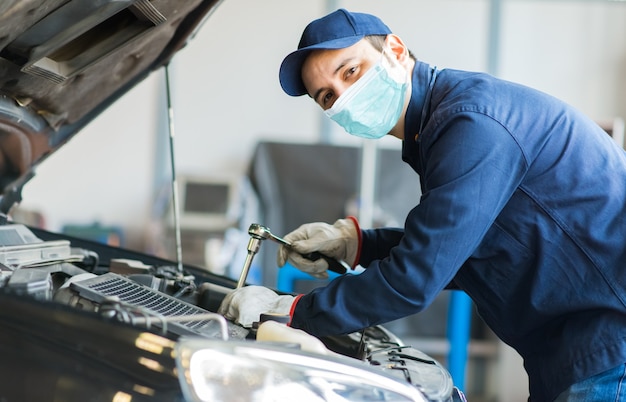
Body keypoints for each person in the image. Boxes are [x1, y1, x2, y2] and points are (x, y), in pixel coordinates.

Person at [218, 8, 626, 401]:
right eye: (327, 96)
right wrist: (356, 244)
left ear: (395, 51)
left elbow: (415, 279)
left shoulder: (470, 124)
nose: (342, 97)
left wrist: (293, 312)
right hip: (575, 351)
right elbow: (462, 252)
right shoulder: (435, 132)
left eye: (351, 71)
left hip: (609, 345)